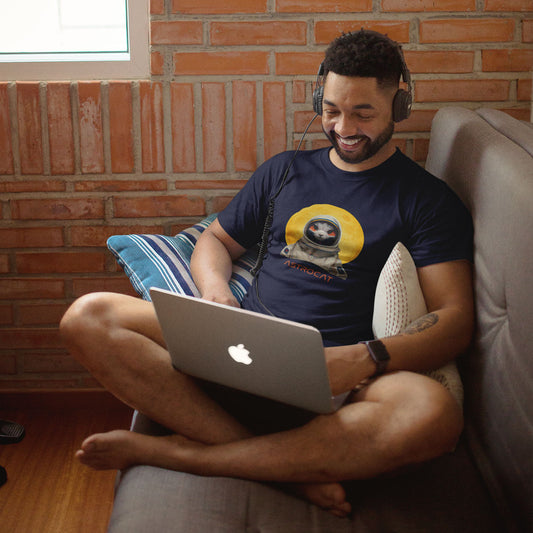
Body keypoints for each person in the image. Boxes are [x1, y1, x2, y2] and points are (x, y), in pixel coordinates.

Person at [60, 30, 474, 518]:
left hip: (337, 377)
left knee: (434, 411)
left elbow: (455, 319)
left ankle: (187, 455)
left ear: (399, 105)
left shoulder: (427, 200)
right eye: (332, 110)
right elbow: (214, 240)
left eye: (364, 113)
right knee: (88, 316)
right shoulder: (285, 171)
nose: (344, 127)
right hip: (244, 345)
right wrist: (216, 297)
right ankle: (285, 469)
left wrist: (363, 359)